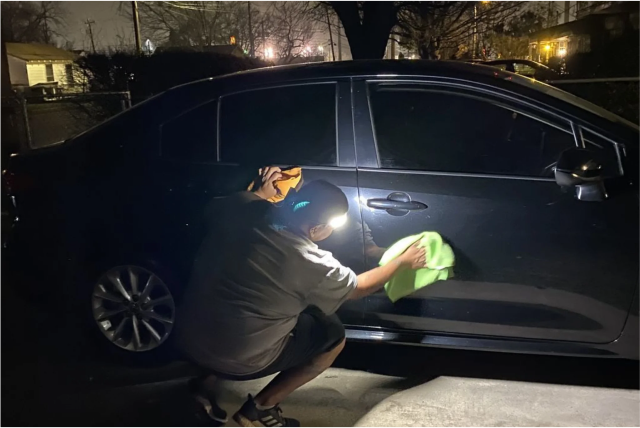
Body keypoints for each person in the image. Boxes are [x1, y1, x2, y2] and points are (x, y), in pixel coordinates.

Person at [174, 167, 426, 428]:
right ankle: (260, 409)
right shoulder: (311, 262)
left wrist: (260, 192)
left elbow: (232, 204)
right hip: (242, 363)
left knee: (228, 301)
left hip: (185, 339)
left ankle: (203, 387)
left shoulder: (240, 207)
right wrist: (403, 262)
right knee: (332, 334)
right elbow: (358, 288)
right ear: (317, 229)